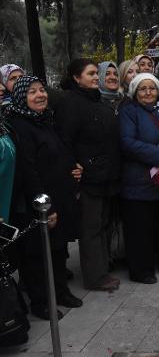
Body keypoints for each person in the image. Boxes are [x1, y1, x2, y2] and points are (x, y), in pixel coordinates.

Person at [7, 75, 83, 318]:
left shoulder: (45, 119)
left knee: (58, 249)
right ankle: (41, 302)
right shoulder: (19, 126)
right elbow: (29, 171)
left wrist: (75, 167)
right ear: (21, 97)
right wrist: (44, 208)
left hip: (58, 195)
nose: (40, 95)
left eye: (42, 90)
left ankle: (60, 291)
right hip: (36, 203)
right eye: (32, 92)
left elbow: (60, 151)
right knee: (37, 255)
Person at [55, 59, 121, 291]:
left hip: (106, 174)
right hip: (88, 177)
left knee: (102, 224)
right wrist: (76, 167)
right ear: (76, 77)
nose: (96, 77)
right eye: (91, 73)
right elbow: (65, 141)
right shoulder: (70, 104)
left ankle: (103, 267)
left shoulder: (98, 101)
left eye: (96, 73)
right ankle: (95, 276)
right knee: (91, 227)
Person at [119, 73, 159, 283]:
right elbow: (127, 142)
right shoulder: (129, 112)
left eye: (152, 88)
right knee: (141, 227)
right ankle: (142, 270)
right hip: (140, 179)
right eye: (142, 89)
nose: (148, 92)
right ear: (134, 92)